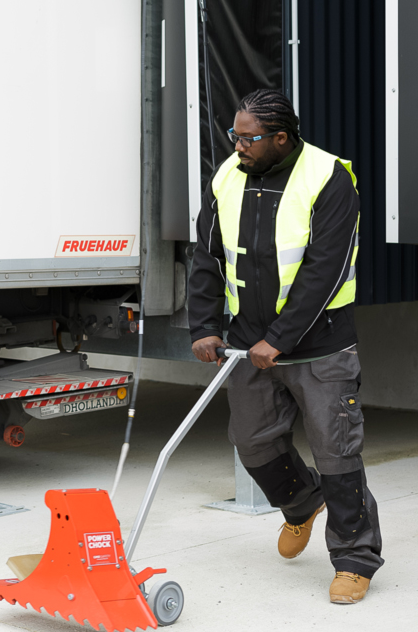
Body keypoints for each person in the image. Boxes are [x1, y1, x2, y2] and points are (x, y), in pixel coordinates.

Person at [188, 89, 381, 604]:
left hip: (318, 345)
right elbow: (206, 255)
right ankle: (300, 503)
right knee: (251, 440)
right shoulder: (229, 175)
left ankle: (355, 558)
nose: (238, 146)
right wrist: (204, 326)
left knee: (335, 450)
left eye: (249, 138)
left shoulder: (328, 178)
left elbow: (326, 270)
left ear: (281, 138)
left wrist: (281, 338)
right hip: (248, 342)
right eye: (235, 135)